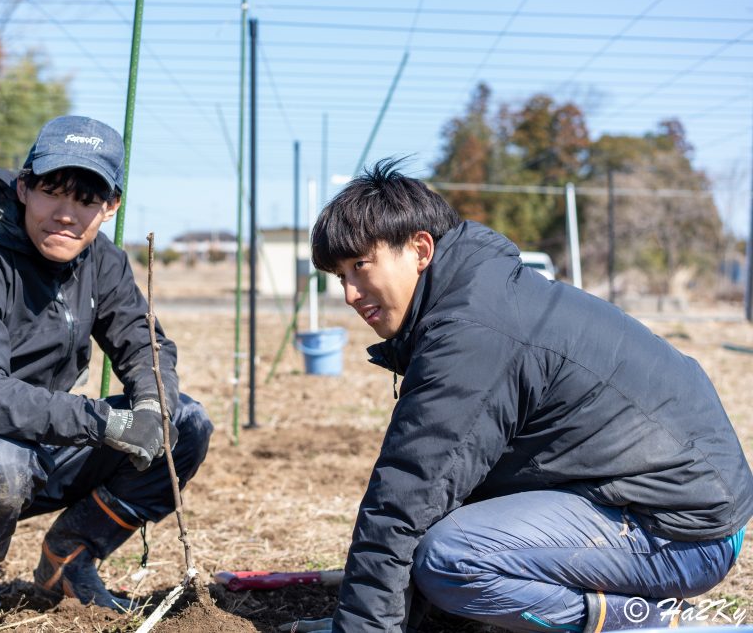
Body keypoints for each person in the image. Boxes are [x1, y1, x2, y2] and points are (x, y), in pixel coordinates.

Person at [291, 159, 753, 632]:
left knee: (451, 558)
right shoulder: (479, 297)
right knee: (453, 530)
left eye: (359, 266)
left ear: (420, 249)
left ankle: (644, 623)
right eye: (340, 276)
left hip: (683, 531)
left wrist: (362, 627)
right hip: (676, 500)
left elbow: (407, 493)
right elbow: (446, 484)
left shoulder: (472, 330)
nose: (349, 293)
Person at [0, 115, 213, 616]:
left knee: (184, 424)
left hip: (38, 444)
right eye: (52, 191)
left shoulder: (104, 262)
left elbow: (145, 345)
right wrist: (105, 423)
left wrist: (148, 406)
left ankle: (71, 556)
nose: (65, 214)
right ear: (24, 187)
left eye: (85, 200)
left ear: (110, 206)